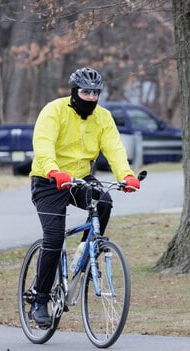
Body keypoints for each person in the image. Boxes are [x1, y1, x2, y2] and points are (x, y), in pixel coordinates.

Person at [28, 67, 140, 327]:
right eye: (85, 92)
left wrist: (126, 175)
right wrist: (53, 170)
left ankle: (85, 253)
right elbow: (43, 143)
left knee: (105, 202)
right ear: (74, 91)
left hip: (79, 178)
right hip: (48, 180)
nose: (90, 97)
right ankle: (39, 299)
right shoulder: (54, 111)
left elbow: (114, 147)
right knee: (54, 239)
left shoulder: (103, 117)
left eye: (95, 93)